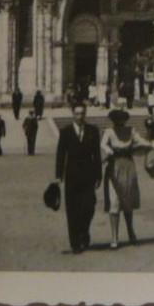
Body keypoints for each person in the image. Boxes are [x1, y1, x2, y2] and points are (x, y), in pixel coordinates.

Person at [101, 108, 154, 250]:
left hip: (128, 167)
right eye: (117, 120)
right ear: (113, 120)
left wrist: (151, 142)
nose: (120, 122)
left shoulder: (131, 131)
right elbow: (103, 144)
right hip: (114, 167)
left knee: (127, 200)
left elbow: (141, 142)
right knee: (114, 201)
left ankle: (131, 232)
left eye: (122, 119)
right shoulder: (109, 132)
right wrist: (108, 150)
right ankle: (114, 237)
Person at [55, 102, 103, 254]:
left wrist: (98, 175)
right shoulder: (66, 132)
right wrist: (59, 175)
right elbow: (61, 155)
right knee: (72, 209)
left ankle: (84, 231)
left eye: (82, 113)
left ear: (85, 114)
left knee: (89, 207)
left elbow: (97, 154)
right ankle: (75, 243)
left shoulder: (93, 131)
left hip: (88, 175)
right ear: (72, 114)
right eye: (77, 113)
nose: (80, 116)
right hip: (72, 176)